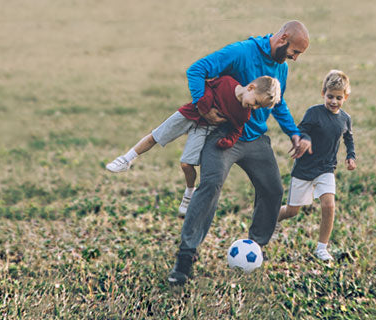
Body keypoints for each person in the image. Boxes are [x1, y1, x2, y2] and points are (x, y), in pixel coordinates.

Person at [167, 21, 312, 285]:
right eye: (295, 51)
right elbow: (197, 69)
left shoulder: (282, 68)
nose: (295, 58)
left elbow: (278, 104)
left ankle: (255, 246)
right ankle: (185, 259)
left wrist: (293, 132)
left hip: (255, 140)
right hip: (224, 135)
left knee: (273, 190)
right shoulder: (242, 52)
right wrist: (203, 107)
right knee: (210, 185)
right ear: (284, 37)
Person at [106, 75, 282, 215]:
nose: (256, 108)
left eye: (260, 107)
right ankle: (126, 160)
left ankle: (189, 192)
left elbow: (237, 129)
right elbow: (205, 85)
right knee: (155, 136)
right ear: (250, 88)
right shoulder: (227, 82)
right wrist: (205, 105)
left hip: (205, 128)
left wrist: (227, 141)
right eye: (257, 102)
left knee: (186, 164)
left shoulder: (244, 114)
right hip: (190, 112)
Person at [277, 70, 357, 261]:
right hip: (304, 169)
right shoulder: (313, 113)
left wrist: (350, 156)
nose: (333, 101)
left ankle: (322, 248)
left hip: (326, 168)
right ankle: (270, 220)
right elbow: (302, 130)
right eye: (330, 96)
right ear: (323, 93)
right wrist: (304, 140)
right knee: (292, 211)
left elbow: (349, 138)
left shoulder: (345, 119)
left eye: (338, 98)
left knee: (329, 205)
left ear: (345, 97)